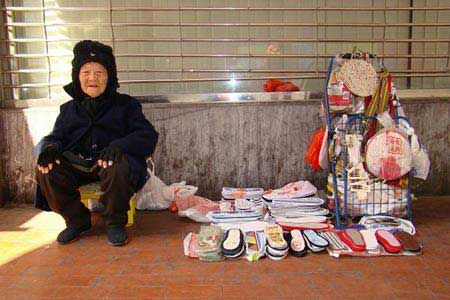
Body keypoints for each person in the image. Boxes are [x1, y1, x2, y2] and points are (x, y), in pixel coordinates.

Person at [35, 40, 158, 246]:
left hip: (112, 167)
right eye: (86, 72)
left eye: (99, 73)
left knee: (115, 164)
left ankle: (114, 222)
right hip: (79, 165)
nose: (92, 78)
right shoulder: (68, 110)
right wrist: (49, 149)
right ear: (77, 77)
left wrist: (119, 146)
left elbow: (147, 134)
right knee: (46, 169)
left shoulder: (127, 105)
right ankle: (76, 220)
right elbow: (56, 137)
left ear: (109, 77)